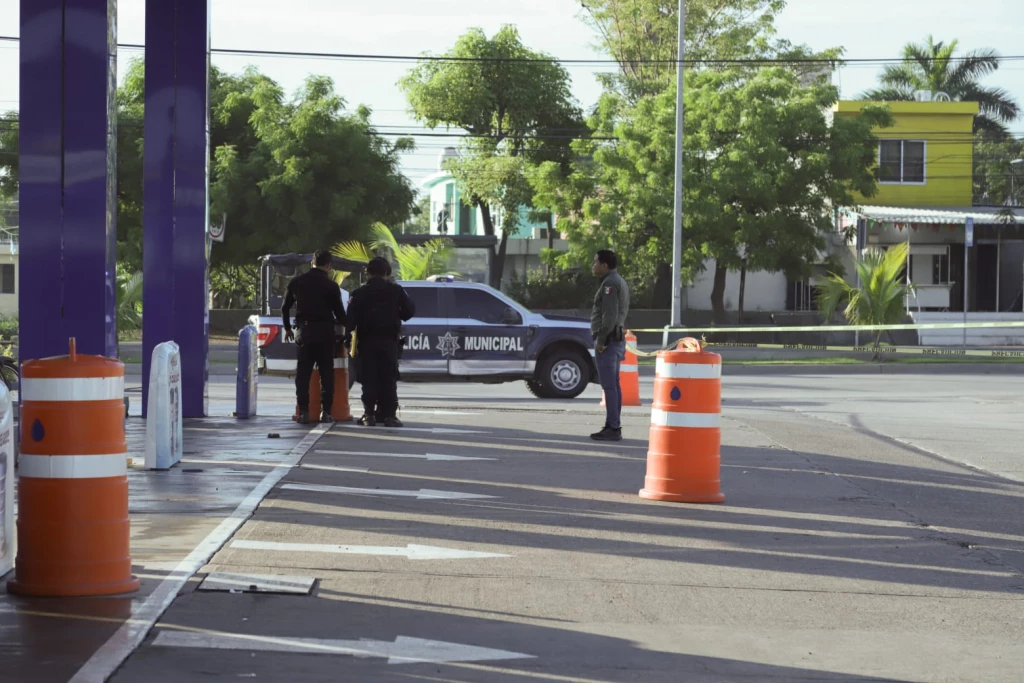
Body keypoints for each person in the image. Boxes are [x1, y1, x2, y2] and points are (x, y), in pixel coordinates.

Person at [347, 257, 415, 427]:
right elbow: (409, 312)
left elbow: (350, 321)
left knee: (369, 378)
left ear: (368, 273)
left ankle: (369, 414)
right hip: (389, 342)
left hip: (367, 341)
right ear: (386, 273)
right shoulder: (396, 291)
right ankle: (390, 416)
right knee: (388, 378)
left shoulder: (358, 293)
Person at [282, 250, 346, 425]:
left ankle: (304, 412)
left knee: (303, 375)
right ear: (329, 266)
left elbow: (285, 307)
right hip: (325, 334)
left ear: (312, 263)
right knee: (327, 375)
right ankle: (326, 413)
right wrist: (351, 325)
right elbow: (340, 314)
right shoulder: (332, 286)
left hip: (305, 333)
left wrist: (288, 328)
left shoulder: (296, 282)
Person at [590, 249, 630, 441]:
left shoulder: (610, 284)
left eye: (596, 261)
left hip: (609, 341)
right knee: (613, 385)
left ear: (605, 265)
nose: (593, 264)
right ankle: (613, 425)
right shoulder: (616, 281)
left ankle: (613, 427)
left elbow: (610, 315)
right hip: (615, 339)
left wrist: (601, 340)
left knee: (609, 386)